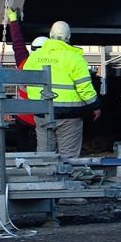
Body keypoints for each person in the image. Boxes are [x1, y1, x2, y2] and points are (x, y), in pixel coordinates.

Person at [22, 20, 101, 157]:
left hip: (42, 113)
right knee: (68, 158)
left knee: (45, 156)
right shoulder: (75, 59)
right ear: (69, 37)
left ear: (50, 35)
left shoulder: (34, 58)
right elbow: (84, 88)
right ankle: (66, 178)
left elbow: (27, 83)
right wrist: (94, 105)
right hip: (69, 115)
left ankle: (46, 178)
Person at [6, 7, 48, 151]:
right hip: (44, 118)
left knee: (23, 155)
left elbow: (18, 43)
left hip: (23, 118)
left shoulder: (24, 61)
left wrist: (13, 20)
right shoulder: (56, 66)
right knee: (45, 153)